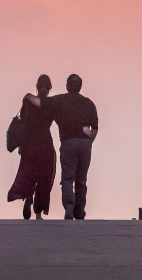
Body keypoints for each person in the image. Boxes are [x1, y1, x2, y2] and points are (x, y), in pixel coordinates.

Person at [25, 73, 98, 220]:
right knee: (81, 179)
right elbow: (94, 127)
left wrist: (28, 96)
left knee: (68, 177)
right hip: (84, 143)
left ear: (67, 86)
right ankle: (80, 211)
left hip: (68, 142)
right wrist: (87, 139)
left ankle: (69, 206)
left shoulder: (59, 101)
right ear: (80, 87)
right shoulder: (88, 103)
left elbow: (40, 103)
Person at [7, 74, 56, 219]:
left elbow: (23, 124)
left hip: (30, 143)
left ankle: (28, 197)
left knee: (28, 173)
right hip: (45, 143)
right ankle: (38, 213)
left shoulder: (27, 102)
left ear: (37, 86)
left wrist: (21, 145)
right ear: (50, 88)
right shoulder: (52, 104)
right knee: (43, 176)